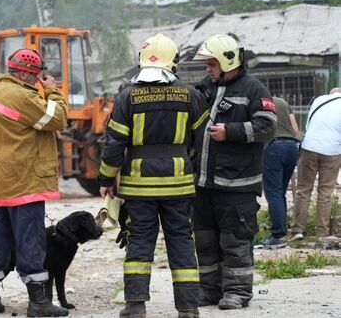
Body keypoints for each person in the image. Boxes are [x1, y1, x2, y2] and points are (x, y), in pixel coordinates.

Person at [98, 33, 209, 318]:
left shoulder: (127, 97)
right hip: (179, 184)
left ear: (142, 62)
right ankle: (188, 308)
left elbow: (114, 145)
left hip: (139, 188)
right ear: (174, 62)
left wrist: (106, 180)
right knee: (182, 242)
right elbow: (202, 140)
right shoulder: (190, 95)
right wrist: (193, 170)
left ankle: (135, 305)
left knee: (140, 243)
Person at [0, 48, 69, 317]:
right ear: (27, 74)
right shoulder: (22, 96)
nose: (37, 81)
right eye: (36, 76)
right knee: (31, 240)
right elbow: (58, 118)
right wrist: (52, 91)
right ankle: (38, 302)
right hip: (24, 180)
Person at [192, 34, 276, 310]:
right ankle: (208, 291)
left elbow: (267, 128)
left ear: (229, 62)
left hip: (237, 185)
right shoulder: (207, 88)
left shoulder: (254, 89)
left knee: (234, 240)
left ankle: (238, 292)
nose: (208, 69)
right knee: (205, 241)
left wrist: (231, 131)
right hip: (204, 183)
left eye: (212, 64)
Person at [290, 88, 341, 240]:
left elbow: (308, 126)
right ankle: (322, 233)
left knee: (303, 190)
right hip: (332, 150)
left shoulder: (318, 100)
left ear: (330, 94)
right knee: (325, 192)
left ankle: (298, 230)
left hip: (310, 147)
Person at [261, 97, 300, 249]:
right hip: (291, 146)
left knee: (273, 193)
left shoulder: (260, 101)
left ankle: (277, 235)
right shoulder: (283, 102)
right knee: (281, 192)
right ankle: (282, 230)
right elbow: (296, 129)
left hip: (273, 147)